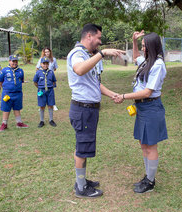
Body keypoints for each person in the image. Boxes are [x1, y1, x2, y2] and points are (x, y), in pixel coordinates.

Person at [67, 23, 125, 198]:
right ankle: (81, 188)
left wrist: (112, 94)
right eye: (99, 38)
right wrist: (102, 54)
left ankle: (82, 181)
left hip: (89, 110)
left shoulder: (87, 55)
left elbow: (95, 83)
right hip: (83, 109)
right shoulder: (77, 54)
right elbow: (78, 69)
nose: (100, 42)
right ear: (89, 36)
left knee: (83, 147)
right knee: (82, 148)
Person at [114, 31, 168, 193]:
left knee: (150, 145)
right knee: (143, 143)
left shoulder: (158, 65)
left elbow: (147, 92)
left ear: (151, 47)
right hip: (142, 108)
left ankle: (150, 182)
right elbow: (135, 57)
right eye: (142, 45)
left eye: (145, 46)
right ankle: (147, 176)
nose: (142, 48)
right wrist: (134, 41)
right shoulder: (147, 61)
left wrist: (123, 96)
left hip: (151, 107)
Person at [0, 55, 29, 132]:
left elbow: (21, 80)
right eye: (13, 61)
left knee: (17, 108)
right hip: (7, 93)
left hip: (18, 93)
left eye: (16, 61)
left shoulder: (20, 71)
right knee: (6, 109)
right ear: (9, 61)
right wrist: (5, 88)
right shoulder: (4, 70)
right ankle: (4, 124)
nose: (14, 63)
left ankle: (19, 123)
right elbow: (0, 81)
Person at [33, 57, 57, 128]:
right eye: (44, 64)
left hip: (50, 91)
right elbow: (35, 82)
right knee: (42, 105)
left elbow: (53, 81)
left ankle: (51, 120)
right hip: (41, 91)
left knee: (50, 105)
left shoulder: (51, 72)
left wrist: (50, 87)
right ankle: (42, 120)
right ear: (41, 64)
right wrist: (40, 88)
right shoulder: (38, 72)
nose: (45, 65)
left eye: (47, 64)